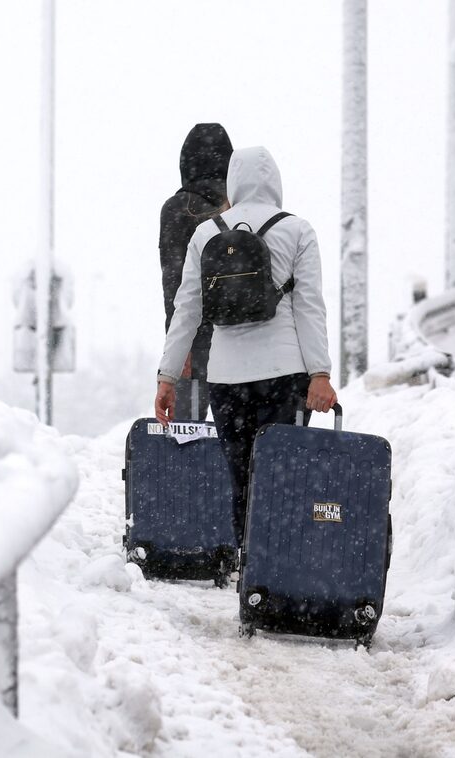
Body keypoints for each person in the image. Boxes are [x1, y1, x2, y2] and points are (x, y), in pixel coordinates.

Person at [155, 146, 337, 551]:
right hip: (285, 376)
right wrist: (319, 374)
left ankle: (248, 565)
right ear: (276, 181)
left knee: (241, 477)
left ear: (233, 182)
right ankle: (279, 567)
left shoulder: (206, 232)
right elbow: (309, 307)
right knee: (282, 478)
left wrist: (167, 377)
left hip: (226, 379)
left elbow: (187, 309)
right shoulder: (297, 230)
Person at [159, 124, 234, 421]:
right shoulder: (238, 206)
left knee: (186, 440)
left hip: (196, 338)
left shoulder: (179, 208)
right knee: (236, 441)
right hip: (242, 339)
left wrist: (178, 348)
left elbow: (174, 283)